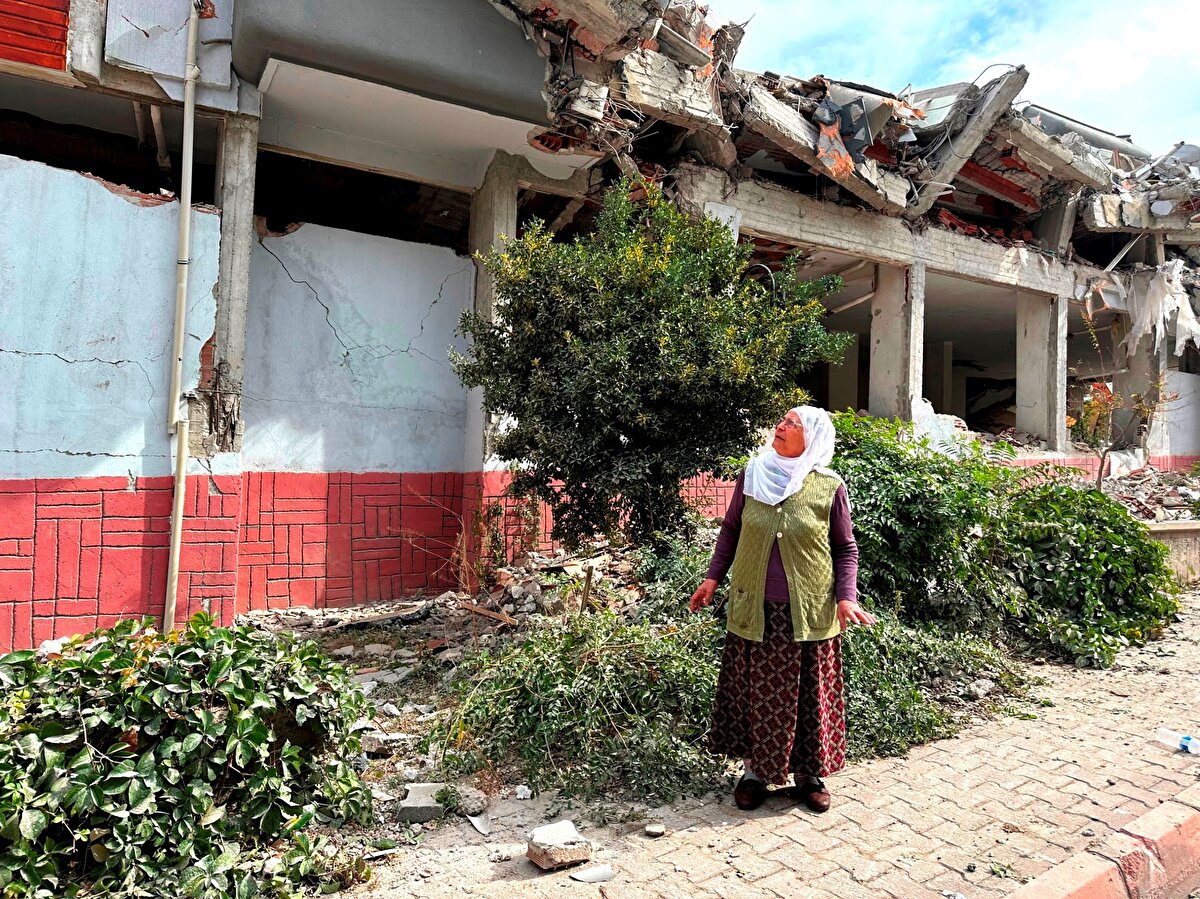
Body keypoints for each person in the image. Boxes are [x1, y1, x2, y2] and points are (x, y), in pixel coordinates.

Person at [690, 406, 876, 813]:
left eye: (793, 424)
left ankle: (809, 776)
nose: (781, 427)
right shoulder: (753, 474)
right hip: (753, 606)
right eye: (782, 420)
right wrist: (712, 577)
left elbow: (845, 548)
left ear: (811, 437)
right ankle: (754, 774)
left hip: (808, 611)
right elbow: (732, 531)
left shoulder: (828, 486)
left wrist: (847, 597)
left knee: (809, 695)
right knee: (755, 693)